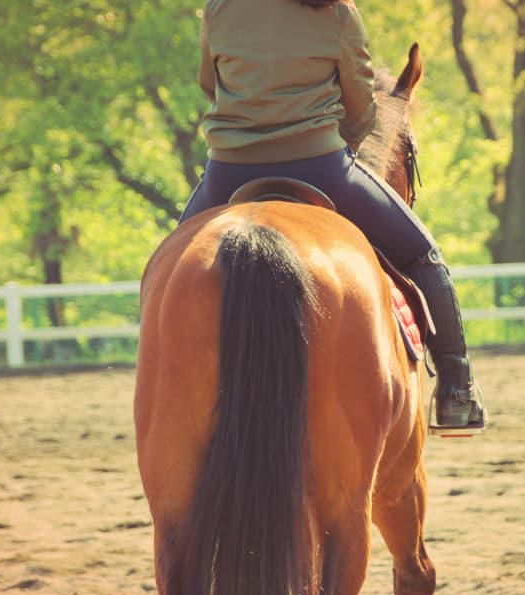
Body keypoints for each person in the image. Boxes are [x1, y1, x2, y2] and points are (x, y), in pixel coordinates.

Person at [180, 0, 484, 429]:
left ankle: (166, 378)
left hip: (229, 170)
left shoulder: (219, 7)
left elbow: (210, 84)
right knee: (422, 255)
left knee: (169, 265)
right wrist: (345, 140)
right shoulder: (337, 12)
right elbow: (360, 105)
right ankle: (456, 389)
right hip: (320, 166)